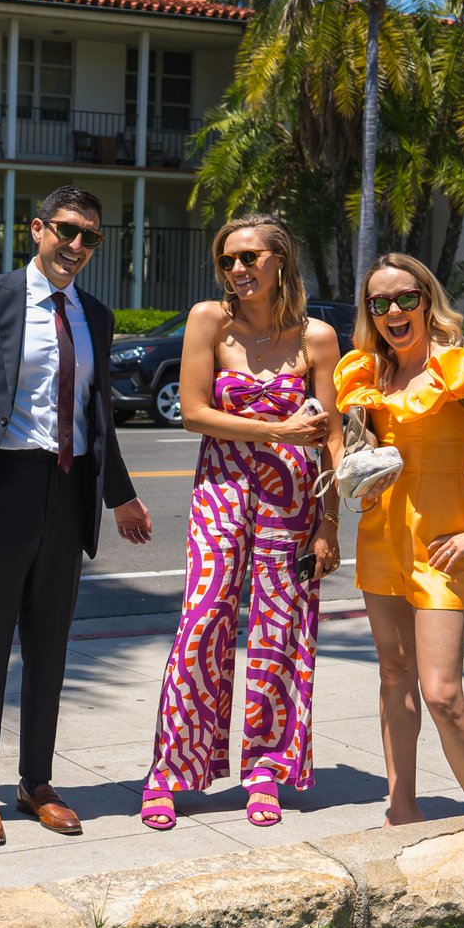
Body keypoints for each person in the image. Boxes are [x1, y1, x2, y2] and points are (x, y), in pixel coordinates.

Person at [0, 186, 154, 846]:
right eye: (67, 231)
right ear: (37, 229)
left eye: (90, 237)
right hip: (4, 484)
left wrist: (118, 495)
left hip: (67, 488)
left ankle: (35, 781)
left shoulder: (95, 315)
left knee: (50, 644)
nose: (76, 246)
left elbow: (97, 414)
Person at [138, 215, 343, 831]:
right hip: (221, 492)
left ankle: (266, 771)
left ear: (281, 260)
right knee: (201, 623)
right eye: (228, 259)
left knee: (282, 632)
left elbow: (331, 434)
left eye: (251, 257)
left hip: (293, 500)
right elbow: (194, 413)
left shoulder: (318, 338)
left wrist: (330, 524)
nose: (237, 270)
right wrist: (275, 430)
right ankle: (171, 772)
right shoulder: (210, 321)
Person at [332, 255, 464, 822]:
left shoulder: (458, 368)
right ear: (369, 313)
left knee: (442, 693)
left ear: (428, 300)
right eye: (380, 303)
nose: (394, 311)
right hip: (380, 535)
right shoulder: (366, 374)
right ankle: (402, 809)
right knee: (394, 678)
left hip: (443, 540)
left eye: (405, 298)